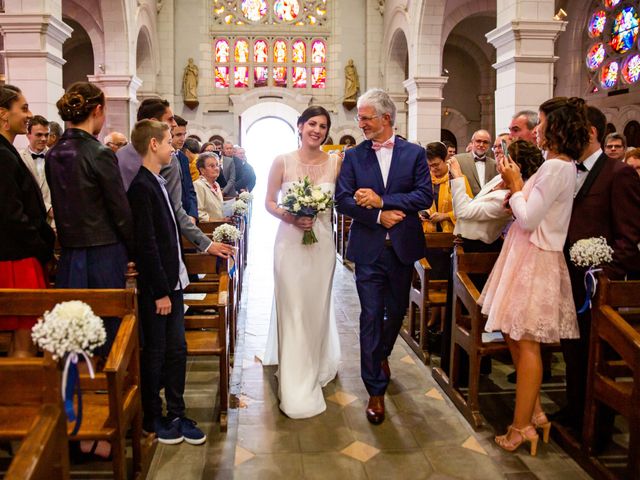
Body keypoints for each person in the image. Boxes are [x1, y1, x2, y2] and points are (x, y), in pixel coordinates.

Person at [479, 97, 591, 455]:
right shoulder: (553, 164)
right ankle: (537, 413)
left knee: (526, 343)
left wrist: (514, 184)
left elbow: (529, 218)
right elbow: (530, 206)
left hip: (535, 258)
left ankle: (521, 427)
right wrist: (514, 193)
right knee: (513, 335)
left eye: (541, 122)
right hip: (524, 253)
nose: (537, 129)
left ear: (555, 127)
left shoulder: (558, 167)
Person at [335, 89, 432, 424]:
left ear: (385, 118)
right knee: (371, 315)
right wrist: (377, 217)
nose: (360, 124)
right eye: (360, 118)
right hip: (369, 249)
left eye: (365, 118)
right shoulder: (354, 156)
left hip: (403, 248)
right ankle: (375, 388)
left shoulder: (414, 153)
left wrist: (382, 202)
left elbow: (424, 196)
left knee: (395, 312)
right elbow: (343, 201)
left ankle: (382, 354)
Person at [556, 106, 640, 434]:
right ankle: (574, 410)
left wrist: (603, 276)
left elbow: (630, 237)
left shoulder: (617, 173)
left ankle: (599, 425)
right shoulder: (567, 170)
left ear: (590, 132)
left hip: (597, 284)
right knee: (572, 350)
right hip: (569, 277)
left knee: (595, 355)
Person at [127, 119, 206, 445]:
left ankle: (176, 411)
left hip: (172, 283)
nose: (174, 146)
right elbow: (145, 245)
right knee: (156, 353)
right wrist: (160, 291)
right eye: (168, 141)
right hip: (159, 289)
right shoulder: (140, 187)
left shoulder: (157, 181)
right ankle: (152, 417)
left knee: (177, 350)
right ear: (153, 145)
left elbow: (169, 235)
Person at [263, 105, 341, 419]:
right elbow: (269, 201)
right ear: (299, 126)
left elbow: (343, 201)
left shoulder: (336, 163)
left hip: (322, 244)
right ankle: (296, 381)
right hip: (289, 245)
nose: (317, 130)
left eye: (323, 126)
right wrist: (290, 215)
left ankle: (317, 362)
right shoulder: (281, 161)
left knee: (316, 306)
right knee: (293, 307)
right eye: (312, 123)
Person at [46, 82, 134, 354]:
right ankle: (109, 391)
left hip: (71, 253)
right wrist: (134, 251)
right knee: (109, 331)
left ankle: (76, 388)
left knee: (76, 332)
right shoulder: (100, 153)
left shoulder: (53, 153)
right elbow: (119, 210)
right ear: (97, 110)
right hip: (104, 253)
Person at [116, 98, 234, 259]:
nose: (173, 123)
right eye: (170, 119)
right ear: (153, 122)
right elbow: (174, 208)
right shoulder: (168, 160)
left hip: (124, 243)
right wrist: (206, 243)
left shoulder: (120, 155)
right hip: (160, 242)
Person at [0, 84, 54, 357]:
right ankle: (23, 399)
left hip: (19, 255)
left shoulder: (7, 151)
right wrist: (40, 244)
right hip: (16, 259)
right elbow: (11, 214)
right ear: (3, 115)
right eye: (23, 108)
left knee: (23, 340)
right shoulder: (2, 155)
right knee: (24, 341)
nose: (29, 114)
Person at [20, 115, 54, 226]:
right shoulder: (18, 158)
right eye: (39, 135)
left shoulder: (56, 157)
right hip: (28, 220)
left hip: (53, 221)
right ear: (28, 135)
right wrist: (47, 207)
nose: (44, 139)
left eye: (46, 135)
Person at [453, 130, 496, 197]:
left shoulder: (494, 164)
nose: (481, 145)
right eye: (478, 141)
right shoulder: (458, 160)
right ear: (472, 142)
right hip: (466, 203)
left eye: (485, 142)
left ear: (489, 145)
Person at [172, 115, 198, 221]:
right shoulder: (163, 158)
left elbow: (190, 189)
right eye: (178, 135)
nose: (183, 139)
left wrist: (193, 215)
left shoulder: (183, 158)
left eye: (184, 134)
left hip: (187, 217)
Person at [193, 152, 225, 222]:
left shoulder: (216, 184)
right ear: (202, 170)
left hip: (220, 226)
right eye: (212, 166)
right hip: (208, 229)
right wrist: (219, 221)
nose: (216, 168)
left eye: (217, 165)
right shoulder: (198, 185)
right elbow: (200, 214)